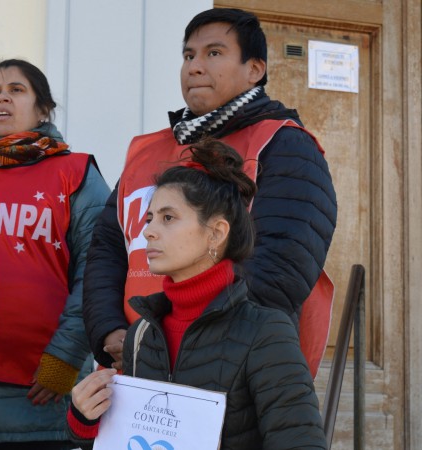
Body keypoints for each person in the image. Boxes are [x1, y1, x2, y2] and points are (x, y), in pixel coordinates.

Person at [83, 7, 337, 372]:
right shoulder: (147, 151)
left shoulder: (284, 145)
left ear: (254, 69)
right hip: (137, 359)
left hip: (232, 367)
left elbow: (282, 265)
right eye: (189, 55)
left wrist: (190, 339)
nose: (194, 66)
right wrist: (109, 330)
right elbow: (107, 247)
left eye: (214, 53)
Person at [67, 139, 327, 449]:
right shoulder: (141, 335)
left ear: (216, 233)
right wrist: (84, 419)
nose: (148, 231)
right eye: (149, 218)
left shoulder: (266, 332)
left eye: (168, 218)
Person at [0, 59, 110, 450]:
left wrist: (64, 359)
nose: (2, 98)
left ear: (43, 108)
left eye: (16, 89)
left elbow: (97, 272)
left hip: (41, 394)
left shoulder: (76, 173)